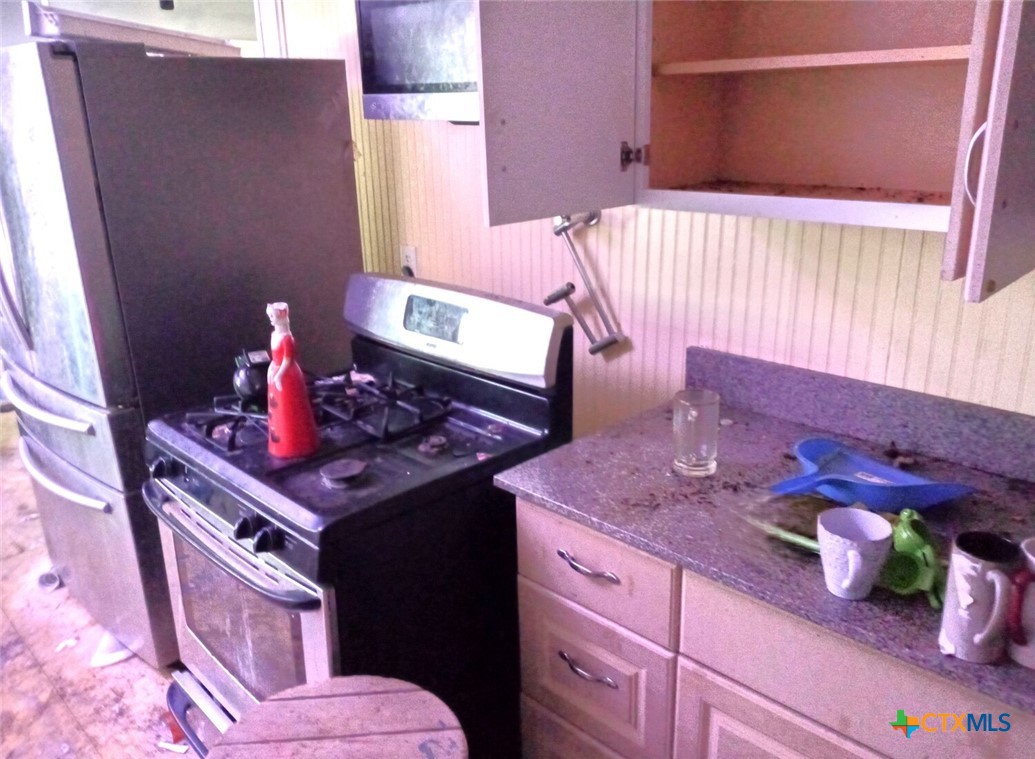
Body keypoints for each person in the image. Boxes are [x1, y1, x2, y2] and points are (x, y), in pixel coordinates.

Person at [265, 302, 319, 458]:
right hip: (276, 372)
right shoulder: (274, 335)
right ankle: (281, 446)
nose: (271, 320)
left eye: (273, 316)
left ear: (283, 317)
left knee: (292, 408)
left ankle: (298, 444)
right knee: (277, 410)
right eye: (269, 316)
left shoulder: (288, 339)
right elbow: (275, 358)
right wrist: (271, 370)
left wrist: (279, 375)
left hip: (288, 376)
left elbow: (287, 361)